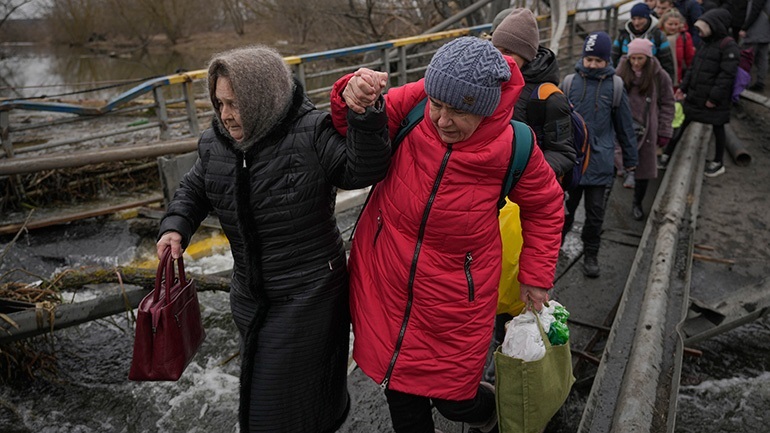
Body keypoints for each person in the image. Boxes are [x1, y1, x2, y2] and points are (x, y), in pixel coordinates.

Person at [330, 36, 564, 433]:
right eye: (437, 106)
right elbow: (348, 123)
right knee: (401, 396)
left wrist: (536, 275)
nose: (441, 120)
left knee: (455, 399)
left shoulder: (514, 145)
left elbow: (546, 205)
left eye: (457, 112)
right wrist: (351, 91)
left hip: (456, 298)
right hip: (388, 281)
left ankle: (491, 414)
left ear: (487, 110)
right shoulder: (420, 98)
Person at [155, 45, 391, 433]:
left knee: (272, 410)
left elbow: (362, 168)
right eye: (219, 103)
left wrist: (364, 116)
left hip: (309, 296)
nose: (226, 114)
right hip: (250, 297)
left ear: (261, 98)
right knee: (284, 402)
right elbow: (195, 187)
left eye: (235, 103)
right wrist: (175, 226)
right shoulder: (216, 142)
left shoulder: (311, 132)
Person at [561, 31, 639, 278]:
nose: (593, 65)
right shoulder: (569, 83)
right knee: (563, 211)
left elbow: (625, 126)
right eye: (589, 60)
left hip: (600, 161)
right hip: (571, 163)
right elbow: (558, 123)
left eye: (598, 61)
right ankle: (552, 250)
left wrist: (630, 160)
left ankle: (591, 253)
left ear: (607, 61)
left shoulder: (615, 87)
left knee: (595, 215)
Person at [491, 7, 576, 180]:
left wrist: (527, 177)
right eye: (495, 50)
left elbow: (563, 153)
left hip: (525, 187)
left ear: (527, 55)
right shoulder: (490, 82)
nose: (499, 58)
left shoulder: (549, 97)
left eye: (508, 52)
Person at [660, 8, 739, 177]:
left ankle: (718, 162)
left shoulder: (728, 46)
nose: (699, 32)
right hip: (695, 95)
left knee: (718, 128)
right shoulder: (705, 43)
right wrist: (683, 88)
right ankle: (667, 153)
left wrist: (714, 98)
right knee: (681, 123)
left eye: (703, 28)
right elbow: (693, 68)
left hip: (713, 99)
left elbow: (727, 76)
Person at [616, 38, 675, 220]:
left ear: (648, 58)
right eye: (632, 58)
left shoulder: (659, 76)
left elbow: (667, 103)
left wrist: (664, 130)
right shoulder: (620, 73)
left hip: (647, 128)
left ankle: (637, 202)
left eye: (640, 59)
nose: (635, 63)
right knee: (616, 162)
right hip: (623, 126)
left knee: (644, 170)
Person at [612, 3, 676, 81]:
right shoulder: (623, 36)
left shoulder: (658, 35)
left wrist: (668, 83)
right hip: (626, 81)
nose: (636, 22)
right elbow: (613, 58)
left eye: (640, 18)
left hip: (651, 81)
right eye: (634, 19)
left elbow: (667, 62)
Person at [660, 8, 696, 89]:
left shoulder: (685, 37)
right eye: (670, 24)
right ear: (663, 23)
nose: (673, 27)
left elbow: (690, 60)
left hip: (678, 82)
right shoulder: (658, 36)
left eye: (676, 24)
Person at [740, 0, 770, 92]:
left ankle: (744, 83)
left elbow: (755, 10)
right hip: (766, 31)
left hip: (755, 30)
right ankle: (760, 82)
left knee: (747, 57)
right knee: (762, 58)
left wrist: (745, 27)